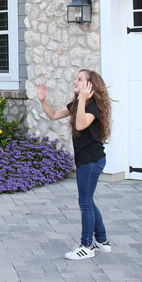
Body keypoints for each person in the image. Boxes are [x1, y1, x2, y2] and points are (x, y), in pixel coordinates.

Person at [37, 69, 112, 260]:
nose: (75, 81)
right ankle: (102, 241)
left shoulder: (92, 107)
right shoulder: (79, 104)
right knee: (88, 200)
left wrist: (83, 100)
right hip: (86, 160)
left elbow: (80, 125)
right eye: (76, 78)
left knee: (85, 202)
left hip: (92, 161)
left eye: (80, 79)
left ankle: (87, 246)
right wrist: (43, 100)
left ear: (89, 85)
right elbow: (53, 115)